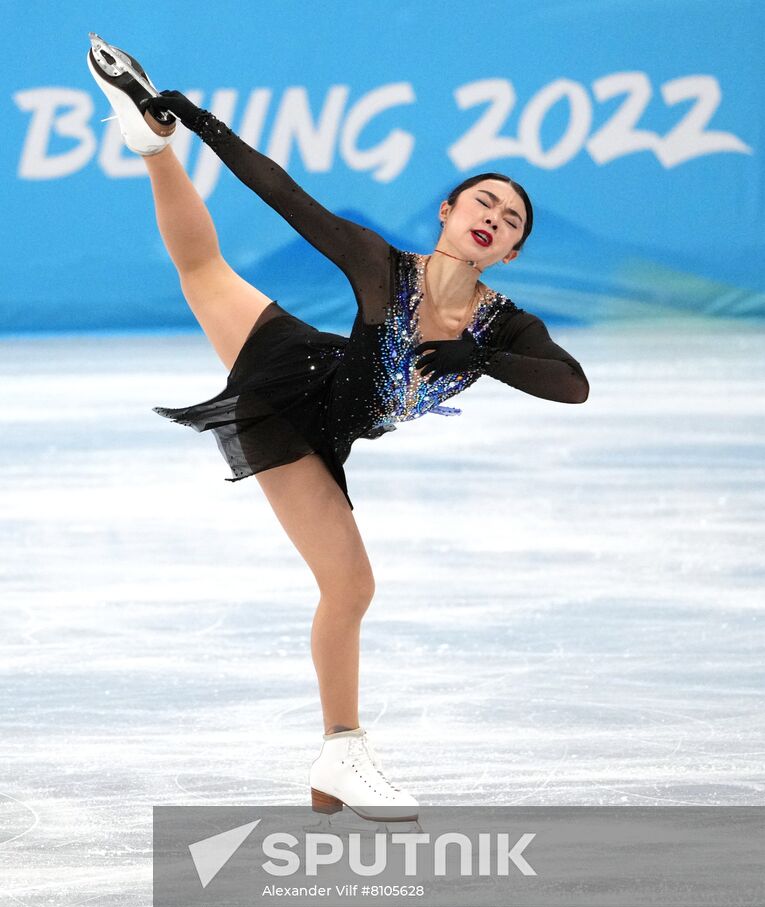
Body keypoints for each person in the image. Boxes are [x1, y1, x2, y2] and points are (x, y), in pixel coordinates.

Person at [87, 34, 589, 826]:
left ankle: (334, 764)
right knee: (350, 585)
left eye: (510, 218)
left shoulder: (507, 325)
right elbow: (284, 193)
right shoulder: (380, 265)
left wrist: (481, 356)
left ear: (514, 250)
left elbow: (572, 387)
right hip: (291, 399)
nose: (493, 217)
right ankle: (342, 750)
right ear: (448, 213)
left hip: (327, 394)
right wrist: (200, 122)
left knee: (204, 276)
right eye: (481, 202)